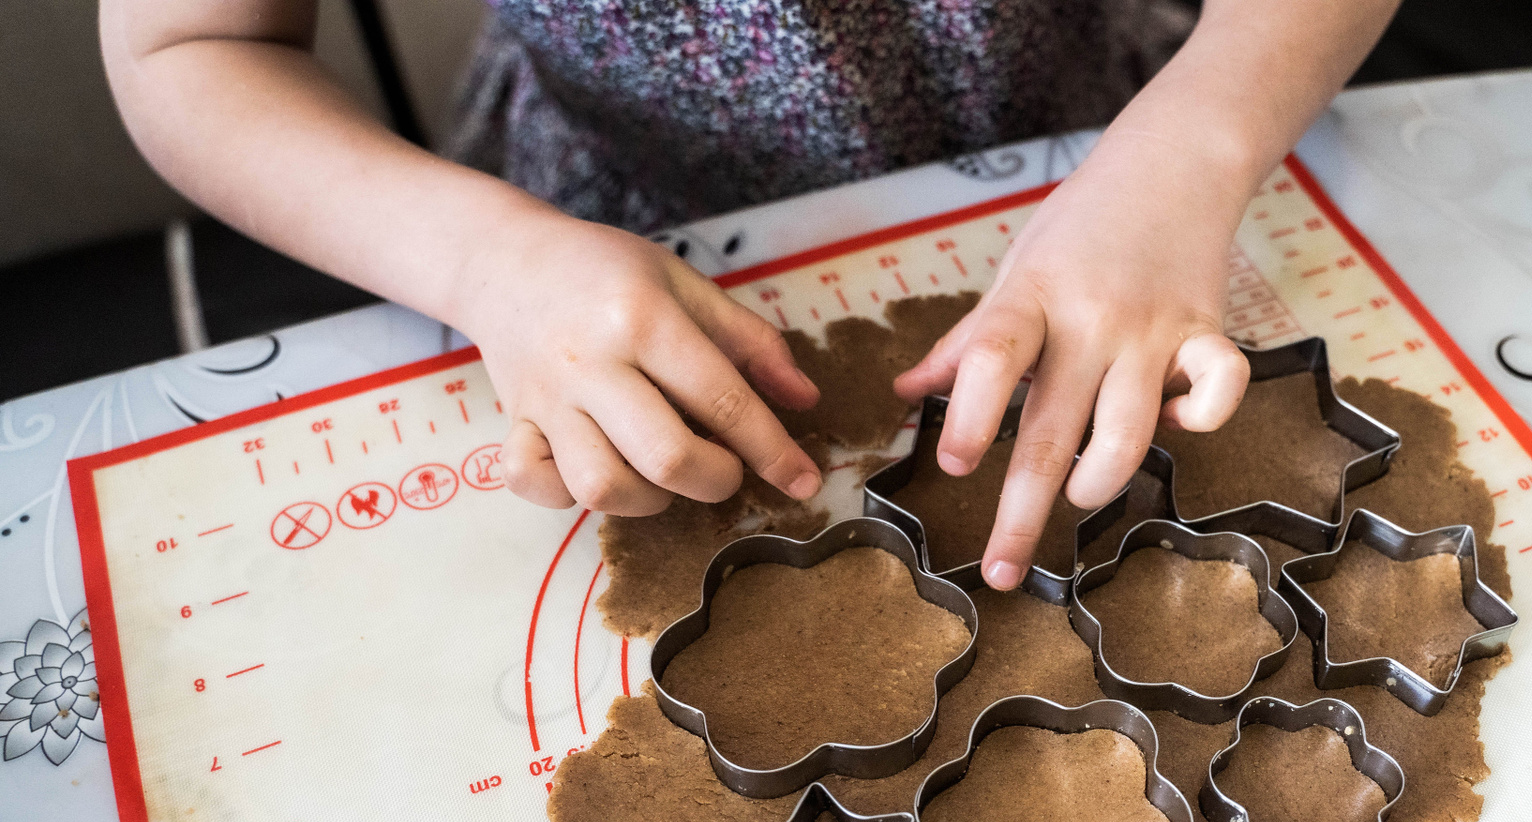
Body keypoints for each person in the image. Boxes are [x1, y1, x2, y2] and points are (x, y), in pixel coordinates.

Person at [101, 0, 1397, 589]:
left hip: (1115, 157)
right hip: (592, 249)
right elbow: (191, 44)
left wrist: (1186, 157)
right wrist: (486, 263)